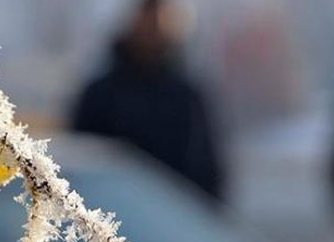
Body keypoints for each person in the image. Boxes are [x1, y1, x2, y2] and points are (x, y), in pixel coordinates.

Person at [70, 0, 223, 199]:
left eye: (160, 17)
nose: (153, 26)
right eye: (147, 16)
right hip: (112, 212)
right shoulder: (101, 94)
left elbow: (206, 171)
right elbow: (81, 161)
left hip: (171, 215)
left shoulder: (186, 97)